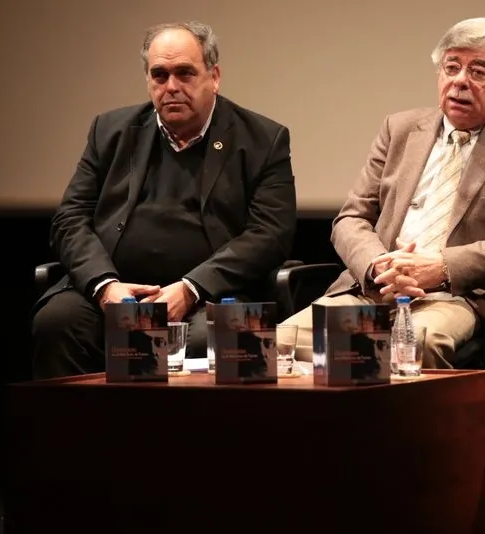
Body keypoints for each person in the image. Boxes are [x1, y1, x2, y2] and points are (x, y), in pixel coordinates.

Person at [280, 17, 485, 369]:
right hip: (374, 292)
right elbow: (351, 218)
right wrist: (379, 267)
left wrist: (442, 267)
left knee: (411, 348)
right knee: (274, 345)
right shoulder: (399, 129)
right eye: (452, 67)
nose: (460, 81)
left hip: (456, 298)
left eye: (478, 71)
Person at [31, 21, 296, 379]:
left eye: (185, 73)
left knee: (207, 339)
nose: (171, 87)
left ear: (214, 76)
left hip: (212, 296)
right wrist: (105, 286)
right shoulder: (110, 132)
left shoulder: (263, 140)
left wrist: (190, 289)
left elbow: (271, 233)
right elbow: (70, 219)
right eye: (160, 75)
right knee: (58, 323)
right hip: (117, 291)